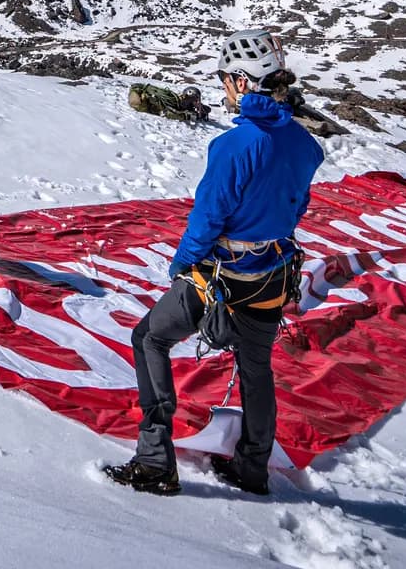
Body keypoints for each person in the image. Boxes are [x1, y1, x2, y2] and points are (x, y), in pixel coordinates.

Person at [103, 28, 323, 498]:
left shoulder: (234, 146)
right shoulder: (305, 145)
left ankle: (155, 461)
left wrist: (182, 265)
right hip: (273, 273)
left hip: (222, 274)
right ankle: (252, 468)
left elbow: (209, 216)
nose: (223, 87)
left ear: (243, 82)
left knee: (149, 338)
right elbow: (296, 206)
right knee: (255, 366)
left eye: (226, 79)